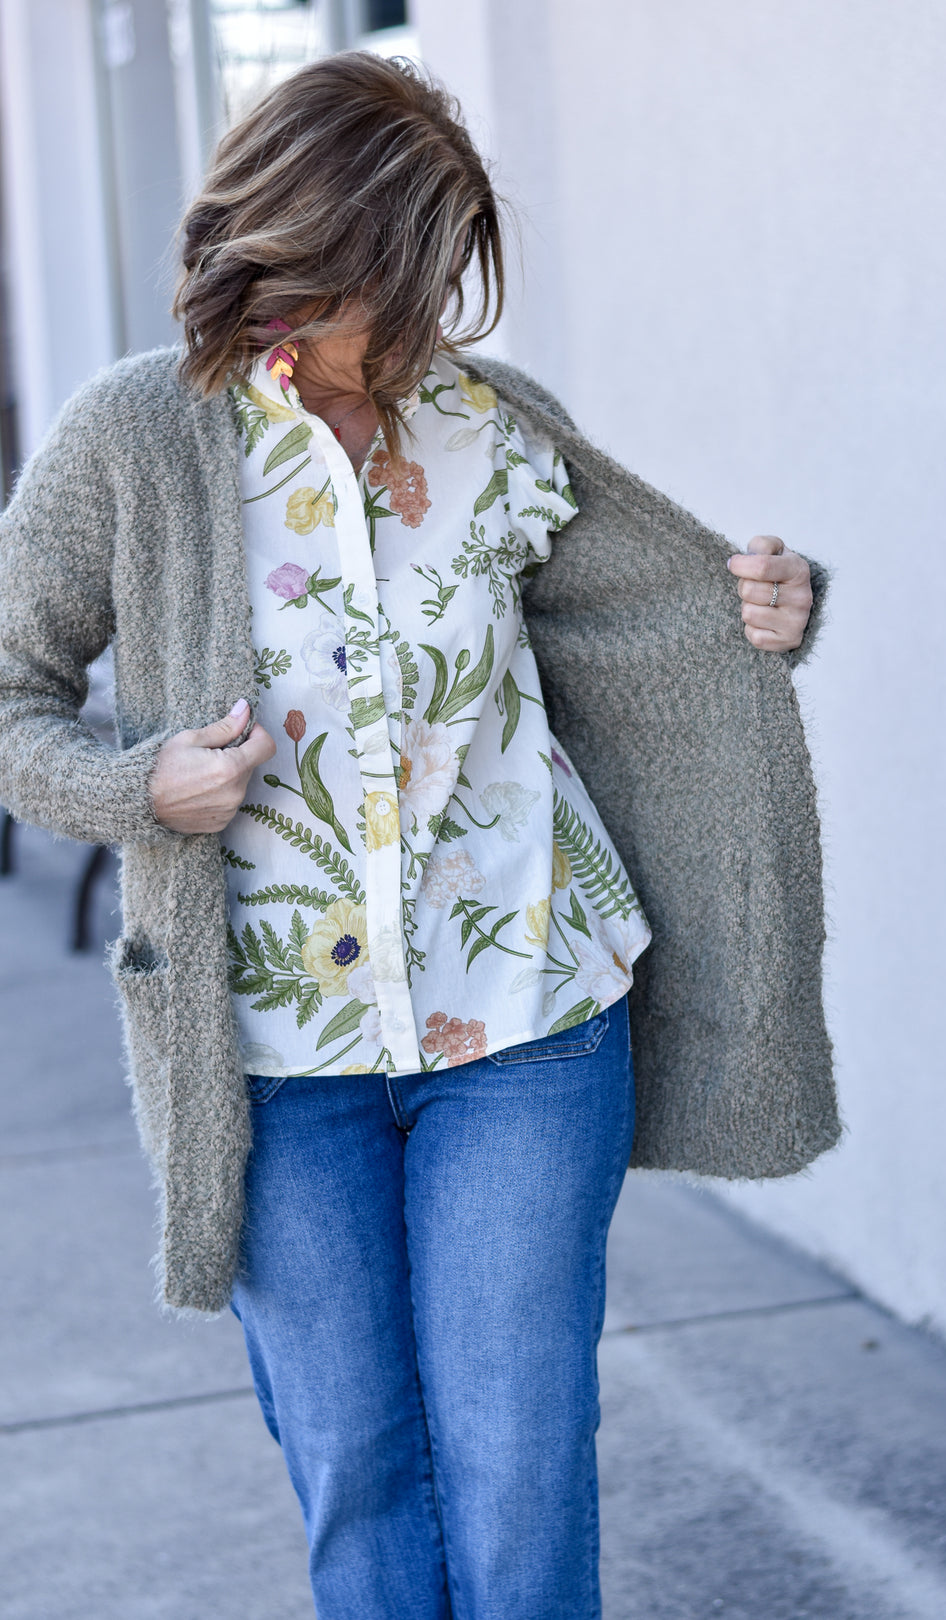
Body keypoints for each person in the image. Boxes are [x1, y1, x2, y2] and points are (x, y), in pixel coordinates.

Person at [0, 52, 838, 1620]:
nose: (425, 316)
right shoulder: (135, 439)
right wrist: (143, 788)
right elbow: (9, 700)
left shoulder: (497, 428)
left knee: (521, 1467)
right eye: (397, 275)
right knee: (360, 1468)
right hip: (269, 1059)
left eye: (444, 272)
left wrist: (772, 608)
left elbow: (663, 627)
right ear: (296, 246)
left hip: (527, 1024)